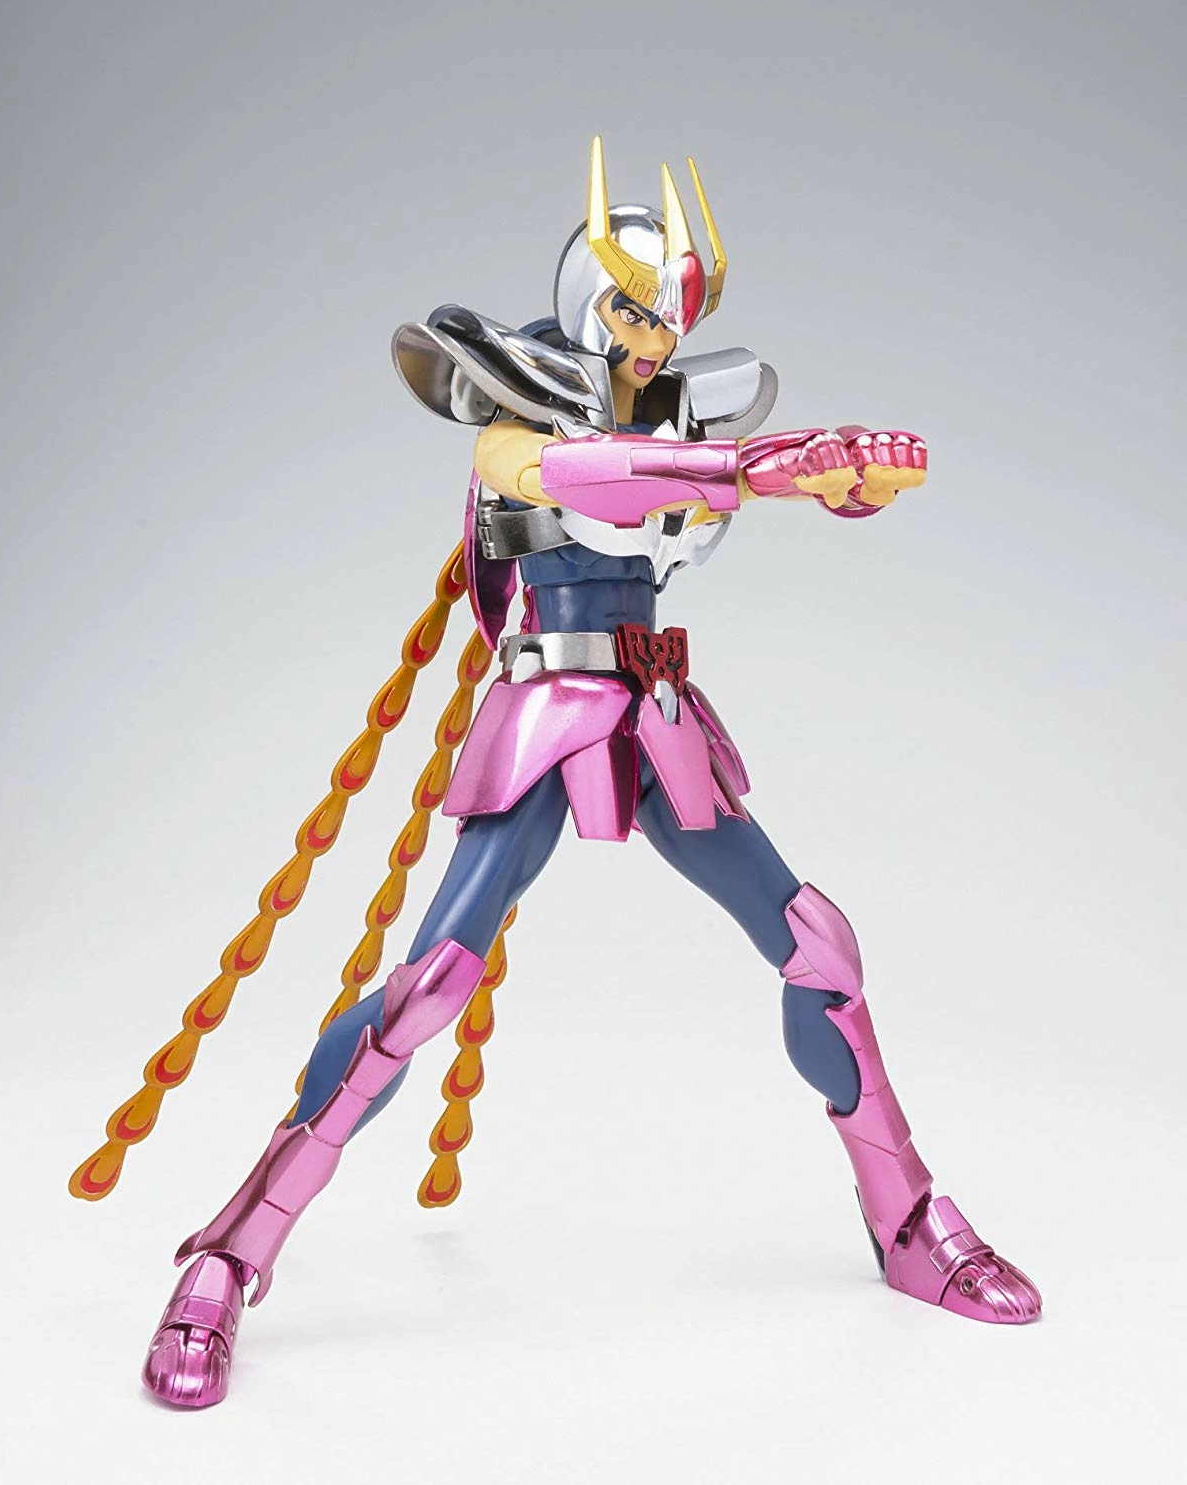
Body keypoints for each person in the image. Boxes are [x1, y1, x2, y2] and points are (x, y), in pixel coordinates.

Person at [122, 137, 1038, 1409]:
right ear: (589, 305)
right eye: (640, 313)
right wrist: (754, 471)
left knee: (820, 948)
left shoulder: (676, 421)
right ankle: (229, 1256)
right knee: (429, 988)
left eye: (676, 319)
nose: (659, 341)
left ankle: (909, 1219)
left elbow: (693, 509)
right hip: (549, 713)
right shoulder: (513, 423)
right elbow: (576, 479)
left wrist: (849, 481)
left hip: (657, 714)